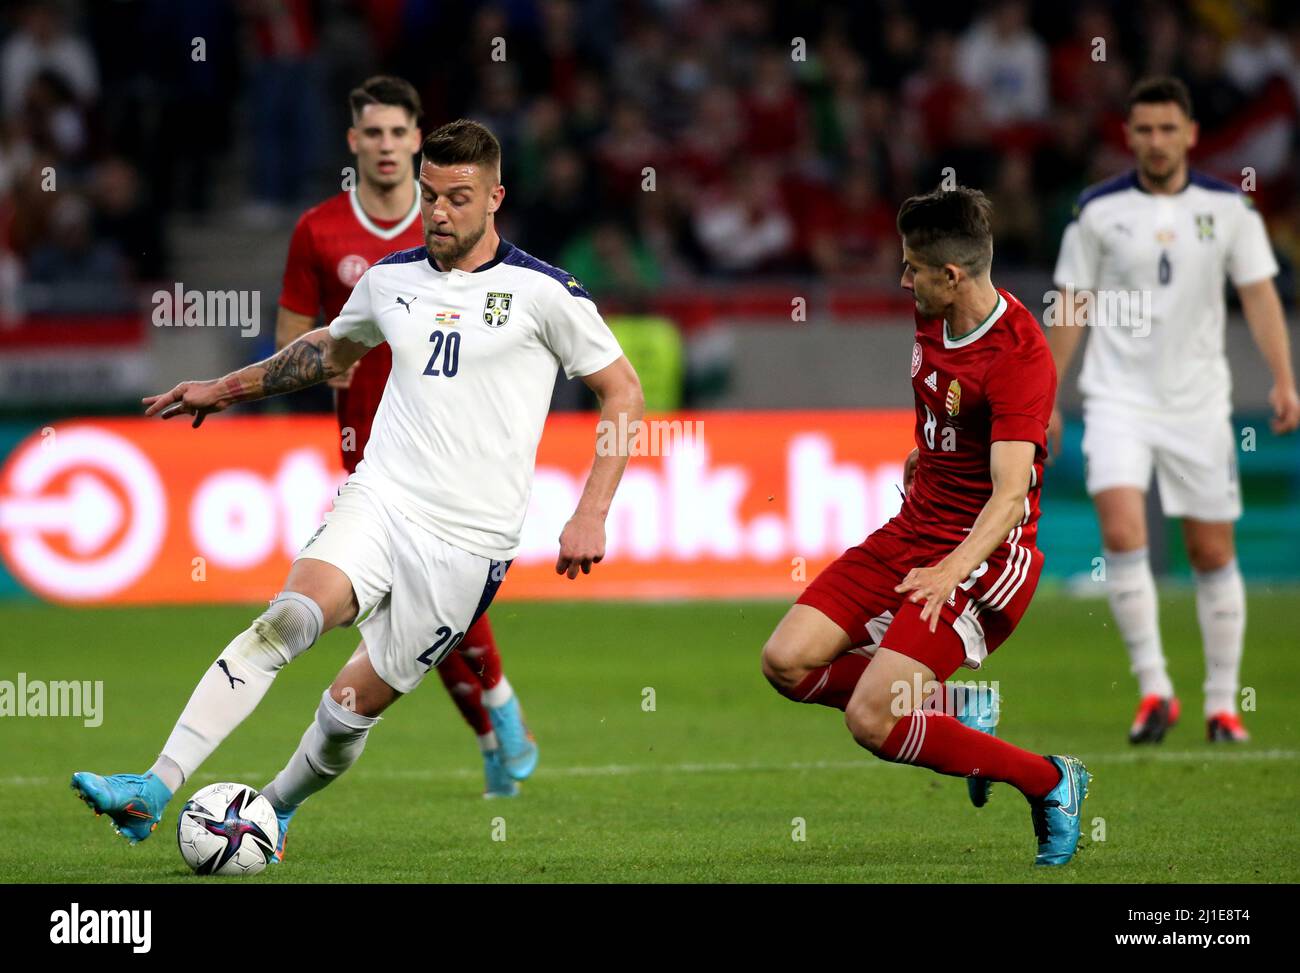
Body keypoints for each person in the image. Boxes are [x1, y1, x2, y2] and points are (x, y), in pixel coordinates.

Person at [71, 119, 644, 861]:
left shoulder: (543, 293)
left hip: (471, 544)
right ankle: (153, 785)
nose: (439, 211)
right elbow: (324, 352)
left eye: (459, 198)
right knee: (287, 620)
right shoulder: (391, 279)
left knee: (347, 711)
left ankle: (273, 809)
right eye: (429, 194)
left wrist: (591, 511)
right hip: (381, 498)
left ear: (496, 197)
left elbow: (622, 391)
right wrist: (226, 387)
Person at [761, 186, 1089, 867]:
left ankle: (1051, 780)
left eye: (912, 267)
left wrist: (950, 570)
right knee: (786, 662)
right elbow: (950, 412)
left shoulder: (1020, 356)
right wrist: (927, 454)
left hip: (984, 557)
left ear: (953, 275)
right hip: (912, 527)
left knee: (872, 718)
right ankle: (952, 702)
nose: (902, 278)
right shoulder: (932, 315)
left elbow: (1007, 497)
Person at [276, 75, 535, 799]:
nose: (387, 147)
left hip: (454, 444)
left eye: (399, 133)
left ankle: (498, 718)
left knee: (434, 595)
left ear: (418, 140)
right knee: (406, 603)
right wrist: (327, 361)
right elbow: (292, 339)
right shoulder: (319, 229)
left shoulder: (449, 227)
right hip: (370, 436)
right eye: (373, 133)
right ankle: (496, 724)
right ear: (353, 142)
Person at [1050, 77, 1299, 744]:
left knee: (1210, 549)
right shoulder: (1097, 212)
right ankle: (1155, 690)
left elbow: (1260, 295)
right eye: (1144, 130)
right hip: (1116, 398)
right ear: (1128, 137)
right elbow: (1070, 304)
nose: (1156, 141)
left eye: (1168, 129)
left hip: (1198, 403)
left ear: (1190, 135)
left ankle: (1223, 703)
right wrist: (1045, 397)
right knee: (1123, 532)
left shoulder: (1229, 208)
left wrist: (1284, 378)